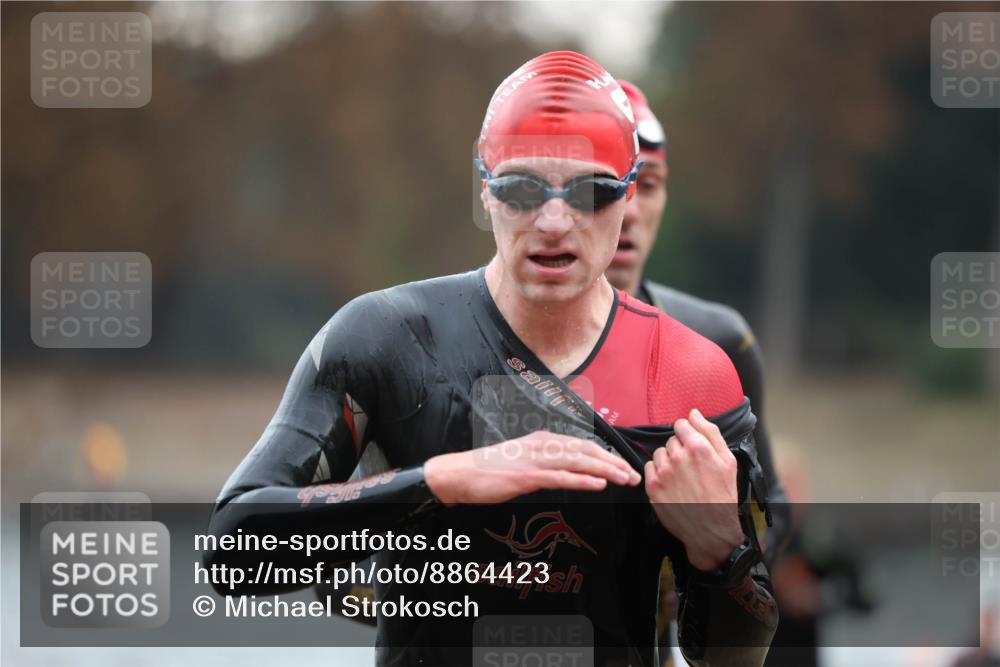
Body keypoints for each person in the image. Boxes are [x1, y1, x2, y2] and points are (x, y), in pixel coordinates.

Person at [206, 51, 778, 667]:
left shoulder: (691, 373)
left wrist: (719, 549)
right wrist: (440, 482)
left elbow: (735, 657)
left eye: (590, 192)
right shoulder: (389, 337)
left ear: (626, 198)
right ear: (486, 191)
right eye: (522, 189)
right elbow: (232, 553)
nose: (554, 222)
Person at [606, 81, 792, 666]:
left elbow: (770, 513)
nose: (630, 208)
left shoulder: (719, 342)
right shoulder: (468, 338)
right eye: (607, 185)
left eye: (649, 185)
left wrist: (701, 557)